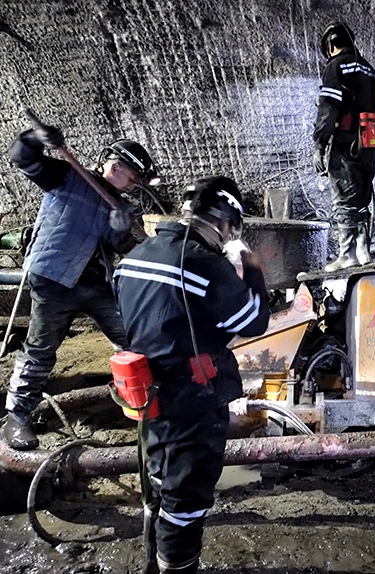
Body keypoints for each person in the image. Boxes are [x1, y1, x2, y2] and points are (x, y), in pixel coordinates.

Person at [114, 175, 270, 574]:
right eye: (231, 229)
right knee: (186, 501)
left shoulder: (134, 257)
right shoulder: (205, 264)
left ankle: (153, 562)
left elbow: (129, 320)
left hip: (149, 396)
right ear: (224, 222)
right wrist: (252, 267)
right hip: (192, 403)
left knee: (159, 483)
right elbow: (254, 321)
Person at [2, 123, 155, 450]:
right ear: (115, 167)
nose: (132, 186)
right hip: (53, 279)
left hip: (96, 285)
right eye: (131, 178)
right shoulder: (66, 176)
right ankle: (16, 417)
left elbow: (121, 246)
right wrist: (36, 138)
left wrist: (120, 229)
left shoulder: (121, 205)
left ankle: (143, 404)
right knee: (41, 350)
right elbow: (21, 156)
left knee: (132, 340)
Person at [313, 21, 375, 271]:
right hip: (368, 143)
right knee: (362, 196)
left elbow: (329, 108)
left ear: (330, 45)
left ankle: (347, 254)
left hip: (345, 141)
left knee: (344, 197)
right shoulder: (371, 71)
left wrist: (320, 143)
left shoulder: (336, 66)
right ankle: (364, 252)